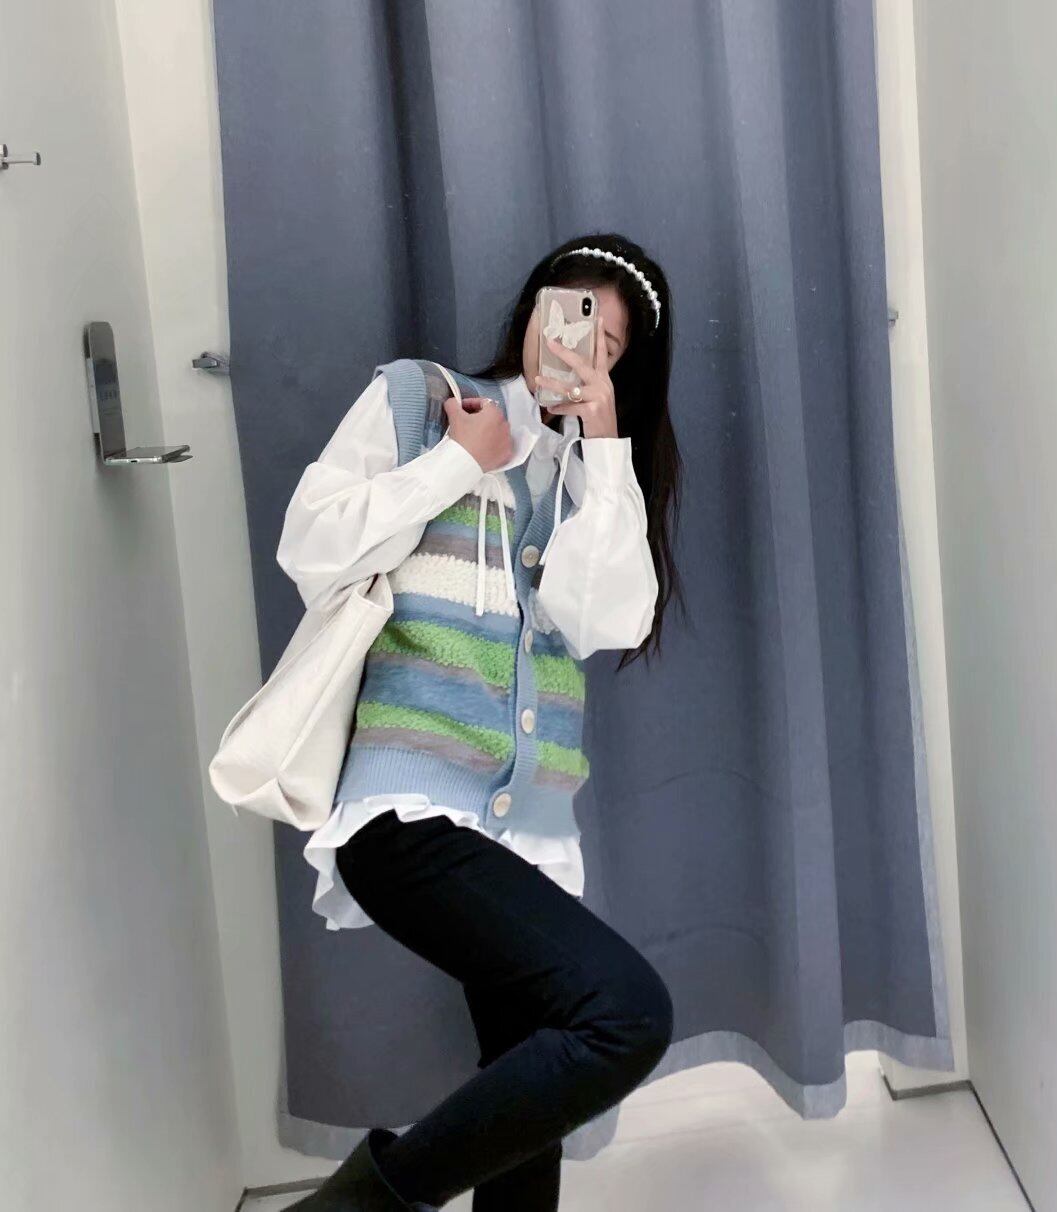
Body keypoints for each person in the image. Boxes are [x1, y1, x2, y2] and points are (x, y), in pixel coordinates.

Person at [276, 233, 683, 1211]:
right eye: (568, 319)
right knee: (623, 1015)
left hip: (527, 837)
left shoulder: (593, 478)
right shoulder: (422, 403)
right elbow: (312, 547)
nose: (578, 351)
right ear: (534, 310)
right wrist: (457, 463)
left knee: (527, 1092)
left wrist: (606, 451)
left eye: (607, 347)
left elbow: (610, 620)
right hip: (407, 815)